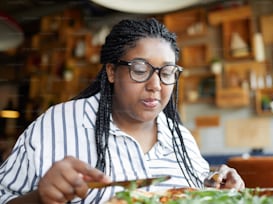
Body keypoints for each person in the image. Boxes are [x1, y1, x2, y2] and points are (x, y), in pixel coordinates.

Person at [0, 18, 244, 204]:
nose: (156, 85)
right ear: (111, 72)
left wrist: (218, 189)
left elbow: (202, 191)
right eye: (140, 70)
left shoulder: (181, 139)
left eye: (167, 72)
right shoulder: (56, 125)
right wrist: (40, 197)